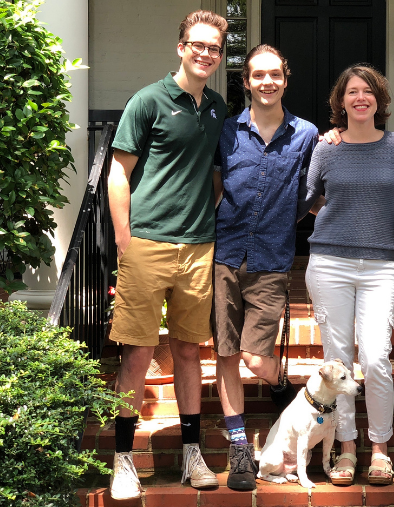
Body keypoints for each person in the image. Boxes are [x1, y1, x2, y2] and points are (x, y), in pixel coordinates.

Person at [106, 10, 227, 500]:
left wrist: (204, 213)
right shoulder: (148, 101)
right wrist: (124, 237)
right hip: (147, 244)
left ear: (220, 56)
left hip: (198, 246)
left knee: (188, 350)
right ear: (181, 47)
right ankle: (122, 458)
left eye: (214, 48)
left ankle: (192, 453)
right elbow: (118, 172)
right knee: (136, 352)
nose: (205, 54)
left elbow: (217, 174)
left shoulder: (218, 107)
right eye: (197, 45)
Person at [212, 44, 318, 491]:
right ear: (246, 82)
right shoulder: (226, 131)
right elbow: (215, 185)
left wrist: (279, 223)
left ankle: (280, 386)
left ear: (285, 79)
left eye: (275, 74)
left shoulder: (307, 134)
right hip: (223, 255)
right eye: (258, 75)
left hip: (272, 260)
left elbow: (311, 196)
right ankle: (240, 449)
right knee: (225, 353)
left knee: (255, 356)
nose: (267, 82)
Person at [299, 65, 394, 486]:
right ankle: (346, 448)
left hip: (381, 264)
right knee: (338, 360)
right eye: (351, 92)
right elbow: (309, 198)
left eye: (367, 91)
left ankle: (379, 448)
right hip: (329, 262)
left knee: (377, 357)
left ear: (379, 100)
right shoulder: (326, 148)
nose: (359, 98)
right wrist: (337, 217)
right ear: (340, 101)